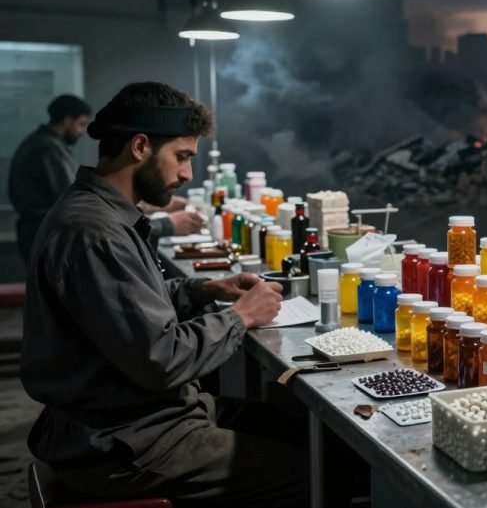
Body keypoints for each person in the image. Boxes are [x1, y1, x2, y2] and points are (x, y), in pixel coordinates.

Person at [20, 82, 314, 506]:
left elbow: (125, 307)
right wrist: (241, 317)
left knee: (295, 425)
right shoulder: (94, 232)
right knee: (313, 474)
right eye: (182, 156)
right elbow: (162, 357)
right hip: (123, 439)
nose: (186, 174)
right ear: (140, 147)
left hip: (136, 415)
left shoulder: (100, 213)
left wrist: (204, 288)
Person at [8, 94, 91, 262]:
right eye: (81, 124)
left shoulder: (41, 142)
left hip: (40, 232)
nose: (82, 131)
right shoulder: (48, 148)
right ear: (67, 120)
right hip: (47, 234)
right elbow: (69, 196)